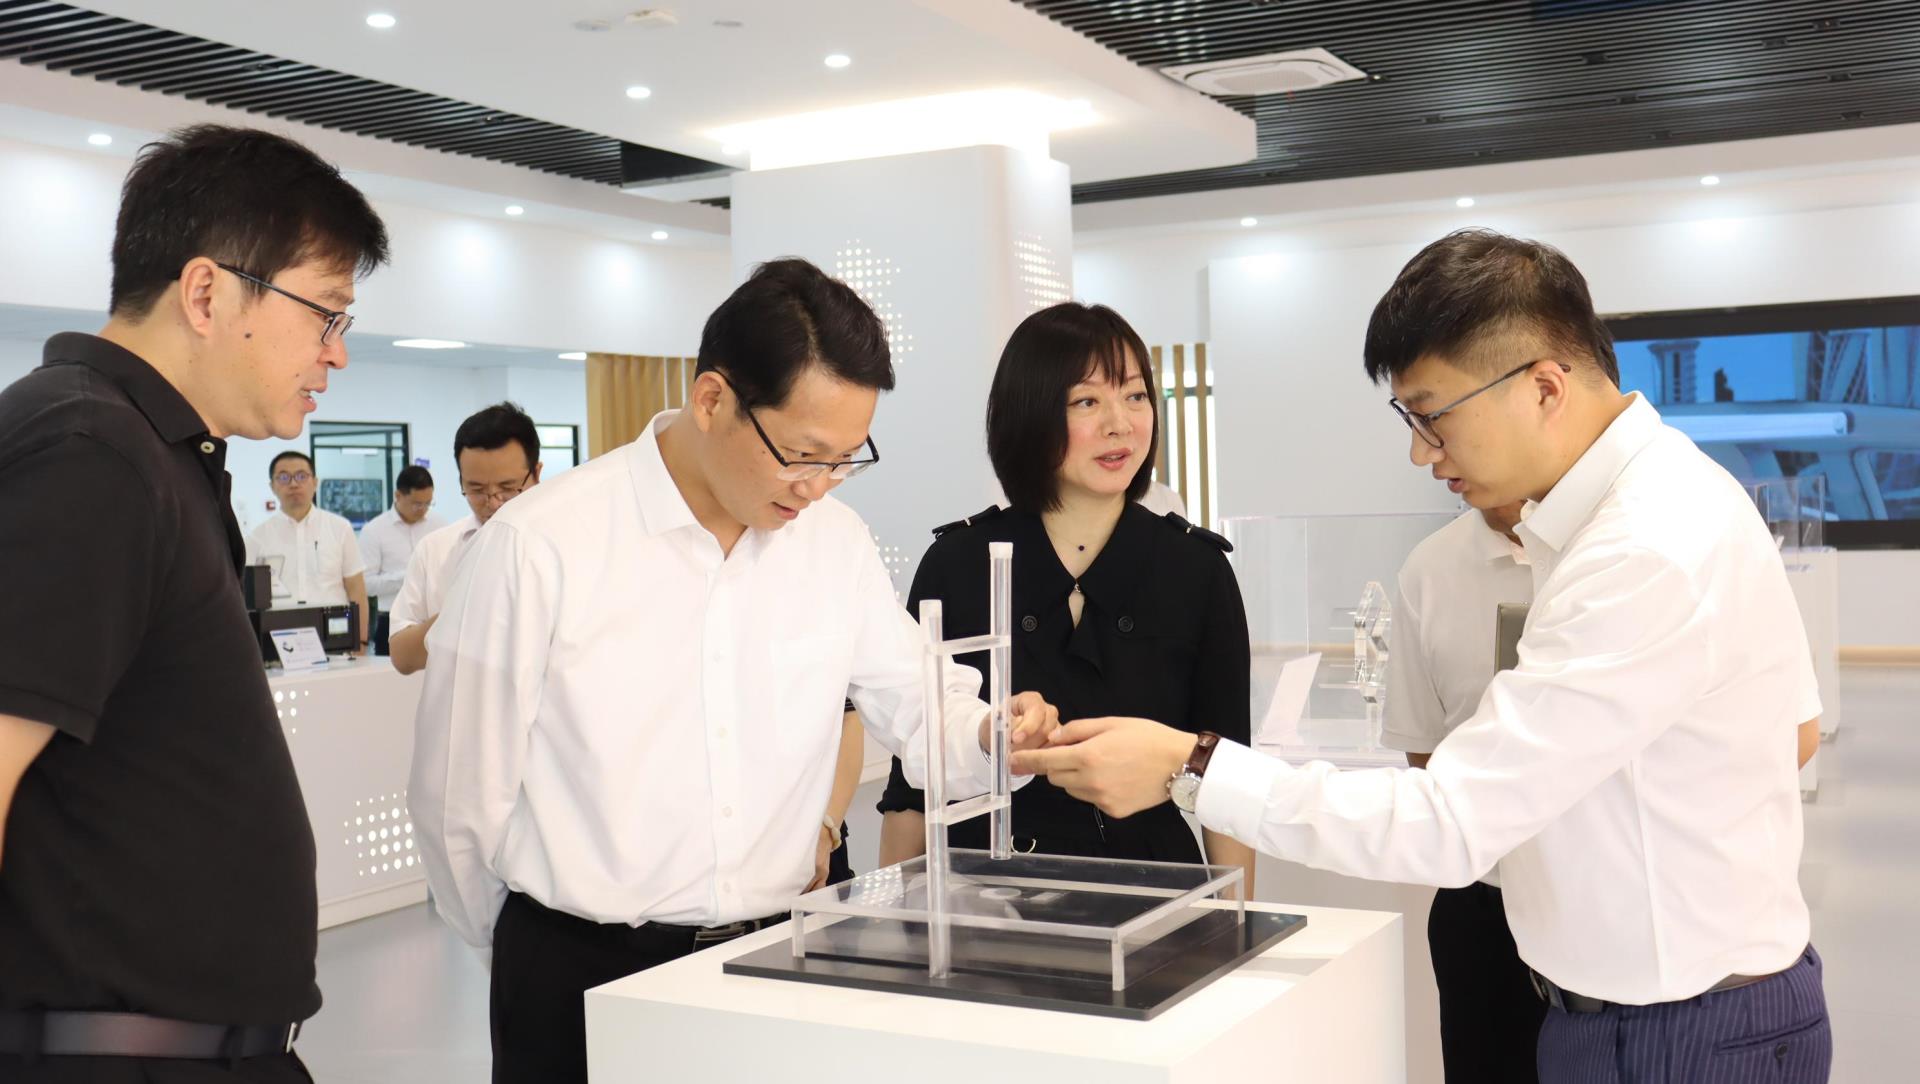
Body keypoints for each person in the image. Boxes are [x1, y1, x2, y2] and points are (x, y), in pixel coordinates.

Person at [1018, 229, 1831, 1084]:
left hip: (1683, 1031)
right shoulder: (1616, 515)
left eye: (1433, 415)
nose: (1420, 451)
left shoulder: (1644, 547)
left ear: (1544, 387)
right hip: (1615, 1011)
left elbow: (1452, 822)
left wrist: (1190, 765)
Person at [408, 259, 1060, 1084]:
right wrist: (520, 947)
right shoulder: (541, 545)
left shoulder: (834, 545)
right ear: (712, 400)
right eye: (802, 454)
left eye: (845, 459)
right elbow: (456, 798)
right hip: (580, 973)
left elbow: (921, 702)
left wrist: (994, 733)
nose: (819, 487)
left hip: (778, 958)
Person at [0, 124, 386, 1079]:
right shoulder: (90, 453)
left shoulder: (148, 451)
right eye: (325, 314)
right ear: (208, 293)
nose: (336, 355)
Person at [1390, 497, 1827, 1083]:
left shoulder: (1664, 540)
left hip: (1649, 925)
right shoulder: (1431, 569)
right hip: (1492, 910)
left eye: (1445, 440)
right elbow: (1426, 756)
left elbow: (1795, 734)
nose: (1430, 459)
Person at [873, 302, 1256, 895]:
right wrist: (892, 920)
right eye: (1086, 402)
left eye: (1135, 396)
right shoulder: (958, 564)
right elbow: (913, 782)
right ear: (1031, 415)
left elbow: (1225, 780)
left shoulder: (1196, 568)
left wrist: (1237, 923)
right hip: (984, 893)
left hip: (1153, 889)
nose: (1120, 424)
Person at [386, 403, 543, 675]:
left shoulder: (566, 547)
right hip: (456, 702)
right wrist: (461, 613)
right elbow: (402, 656)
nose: (494, 502)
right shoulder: (435, 549)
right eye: (477, 489)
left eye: (507, 487)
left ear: (537, 474)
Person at [247, 450, 370, 652]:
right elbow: (247, 598)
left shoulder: (340, 528)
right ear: (272, 486)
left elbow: (356, 587)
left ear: (315, 482)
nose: (293, 484)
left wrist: (361, 640)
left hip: (335, 634)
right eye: (284, 477)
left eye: (301, 476)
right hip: (278, 639)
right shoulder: (257, 537)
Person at [357, 464, 445, 654]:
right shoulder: (374, 530)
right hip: (392, 621)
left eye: (428, 503)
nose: (423, 509)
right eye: (417, 503)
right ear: (398, 495)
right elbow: (367, 584)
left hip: (435, 621)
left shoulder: (439, 525)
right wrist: (410, 576)